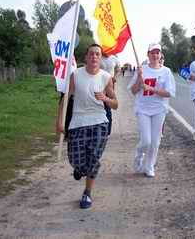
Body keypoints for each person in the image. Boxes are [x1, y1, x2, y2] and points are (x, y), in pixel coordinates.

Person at [56, 43, 118, 209]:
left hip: (99, 122)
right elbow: (65, 99)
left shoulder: (106, 77)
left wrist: (105, 99)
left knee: (93, 159)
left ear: (100, 57)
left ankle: (87, 193)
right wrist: (59, 121)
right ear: (86, 57)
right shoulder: (76, 75)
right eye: (91, 54)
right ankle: (80, 168)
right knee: (75, 160)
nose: (94, 57)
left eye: (97, 54)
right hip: (78, 123)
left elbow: (115, 104)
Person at [128, 43, 176, 178]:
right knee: (146, 141)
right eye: (152, 52)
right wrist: (139, 78)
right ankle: (139, 154)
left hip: (159, 109)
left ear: (160, 55)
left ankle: (149, 166)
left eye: (157, 52)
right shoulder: (141, 70)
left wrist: (152, 89)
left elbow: (169, 93)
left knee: (155, 142)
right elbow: (133, 91)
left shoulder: (166, 71)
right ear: (148, 54)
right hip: (143, 109)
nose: (155, 55)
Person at [100, 52, 121, 136]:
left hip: (110, 83)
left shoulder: (114, 58)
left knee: (108, 106)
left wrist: (115, 77)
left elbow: (118, 68)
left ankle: (107, 131)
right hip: (99, 83)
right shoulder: (99, 56)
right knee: (99, 105)